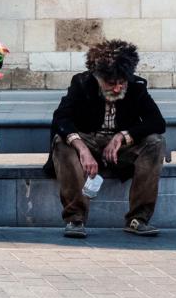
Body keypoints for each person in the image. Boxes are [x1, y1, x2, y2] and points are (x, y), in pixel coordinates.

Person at [47, 39, 166, 238]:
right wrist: (82, 149)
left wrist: (123, 136)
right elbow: (61, 118)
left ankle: (139, 219)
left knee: (156, 142)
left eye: (122, 82)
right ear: (97, 76)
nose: (118, 88)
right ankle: (75, 218)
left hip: (121, 150)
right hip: (89, 141)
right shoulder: (82, 83)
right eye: (111, 83)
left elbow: (157, 122)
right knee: (62, 143)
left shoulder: (136, 86)